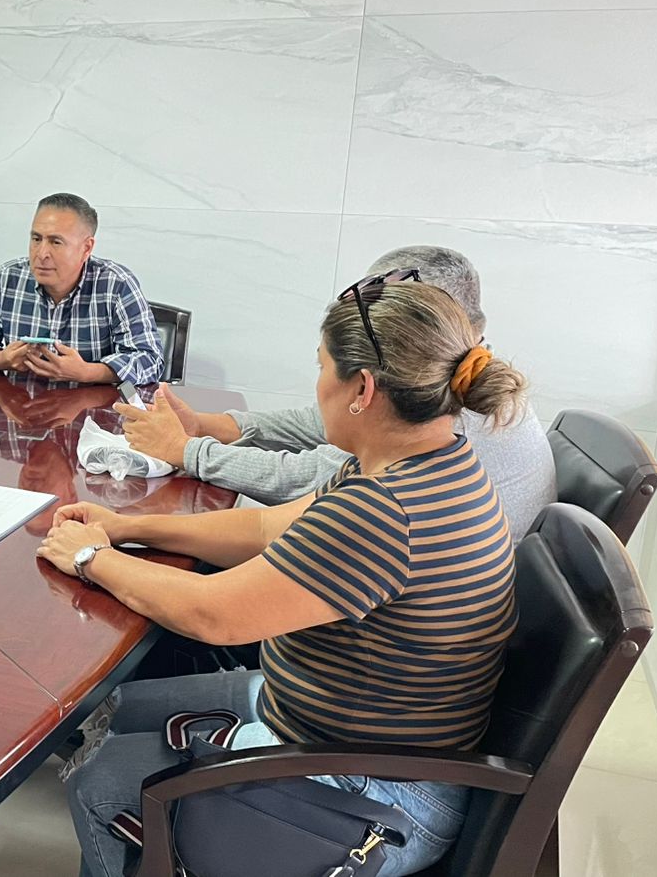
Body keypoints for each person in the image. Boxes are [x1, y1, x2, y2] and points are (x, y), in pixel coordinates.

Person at [37, 281, 525, 877]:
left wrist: (92, 559)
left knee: (98, 782)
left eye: (321, 367)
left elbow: (212, 614)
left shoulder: (385, 511)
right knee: (114, 709)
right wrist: (126, 528)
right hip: (334, 727)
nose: (315, 385)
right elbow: (267, 527)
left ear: (363, 390)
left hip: (379, 792)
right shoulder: (424, 462)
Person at [118, 246, 554, 543]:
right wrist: (208, 426)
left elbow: (307, 482)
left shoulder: (442, 416)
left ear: (427, 317)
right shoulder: (462, 374)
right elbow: (319, 427)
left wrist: (186, 450)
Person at [0, 193, 162, 386]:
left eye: (56, 242)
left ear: (86, 248)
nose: (41, 254)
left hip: (91, 409)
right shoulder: (9, 277)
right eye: (36, 239)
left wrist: (87, 372)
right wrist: (2, 359)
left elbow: (150, 360)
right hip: (20, 405)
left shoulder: (116, 284)